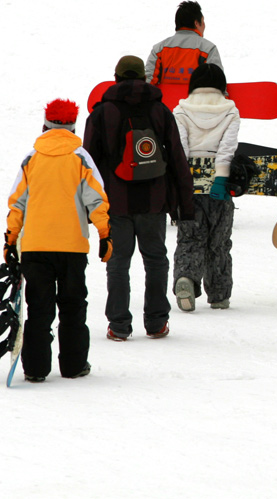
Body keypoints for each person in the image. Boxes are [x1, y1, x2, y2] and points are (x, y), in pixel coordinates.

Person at [83, 55, 195, 341]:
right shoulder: (161, 111)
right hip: (153, 201)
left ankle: (119, 325)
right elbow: (178, 159)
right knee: (156, 259)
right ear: (144, 79)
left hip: (115, 203)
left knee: (118, 262)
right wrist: (185, 204)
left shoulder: (101, 113)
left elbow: (88, 165)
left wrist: (86, 207)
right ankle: (157, 322)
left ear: (116, 78)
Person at [4, 99, 112, 383]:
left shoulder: (32, 158)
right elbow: (97, 199)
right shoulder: (81, 157)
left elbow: (17, 203)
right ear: (73, 126)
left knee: (39, 308)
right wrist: (104, 233)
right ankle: (74, 365)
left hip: (35, 247)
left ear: (45, 125)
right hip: (72, 247)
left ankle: (36, 368)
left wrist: (10, 238)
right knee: (73, 306)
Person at [171, 64, 240, 311]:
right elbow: (228, 148)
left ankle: (185, 279)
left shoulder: (180, 111)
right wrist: (221, 178)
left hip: (189, 186)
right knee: (219, 242)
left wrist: (182, 184)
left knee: (189, 238)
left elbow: (180, 149)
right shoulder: (231, 111)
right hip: (220, 189)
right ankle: (219, 294)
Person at [145, 1, 223, 87]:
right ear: (196, 23)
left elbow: (148, 82)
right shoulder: (208, 49)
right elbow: (217, 84)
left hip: (166, 99)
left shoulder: (159, 49)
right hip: (195, 100)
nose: (204, 26)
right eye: (203, 21)